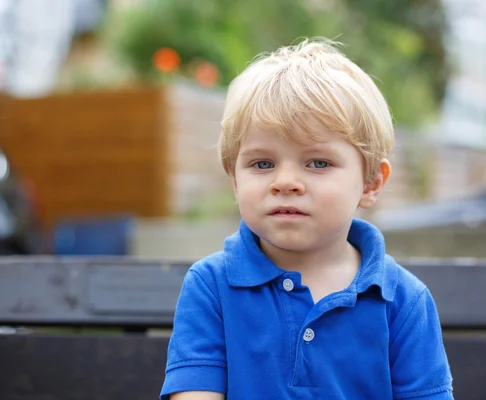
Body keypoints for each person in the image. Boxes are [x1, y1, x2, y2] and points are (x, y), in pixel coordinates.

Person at [160, 38, 453, 400]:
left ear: (371, 182)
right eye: (262, 164)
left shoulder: (403, 301)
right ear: (235, 180)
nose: (285, 182)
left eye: (318, 163)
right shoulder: (212, 285)